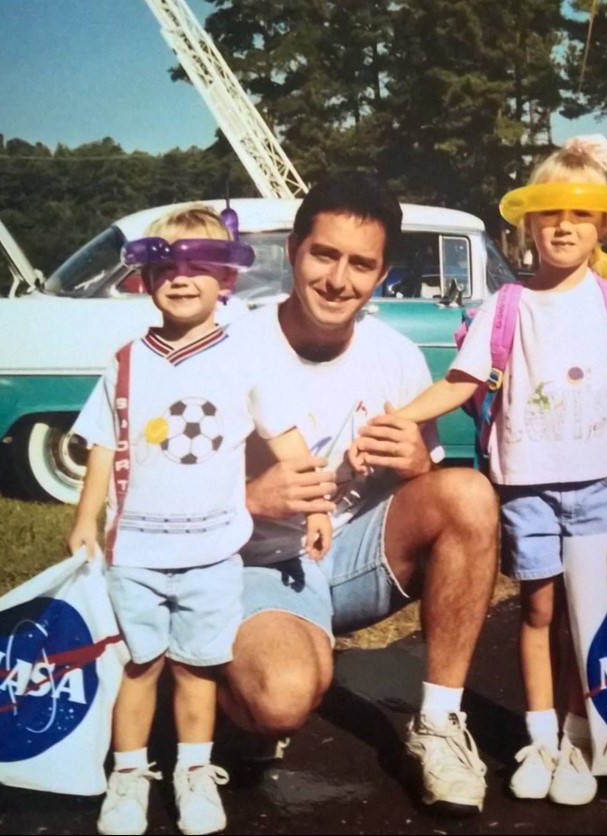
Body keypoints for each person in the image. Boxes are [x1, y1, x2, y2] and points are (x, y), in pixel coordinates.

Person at [349, 137, 607, 806]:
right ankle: (541, 738)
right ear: (529, 225)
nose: (565, 228)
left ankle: (580, 740)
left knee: (587, 619)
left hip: (601, 486)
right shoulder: (507, 306)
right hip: (525, 488)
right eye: (550, 215)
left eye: (580, 217)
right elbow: (461, 383)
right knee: (538, 610)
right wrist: (399, 417)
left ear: (601, 227)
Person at [217, 172, 499, 814]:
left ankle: (439, 724)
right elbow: (153, 497)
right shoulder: (228, 347)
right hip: (252, 564)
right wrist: (251, 498)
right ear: (293, 249)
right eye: (324, 254)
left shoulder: (395, 354)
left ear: (383, 273)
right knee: (281, 700)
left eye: (360, 264)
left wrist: (413, 467)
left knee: (470, 495)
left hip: (348, 561)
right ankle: (230, 683)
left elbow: (430, 500)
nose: (339, 280)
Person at [67, 203, 331, 836]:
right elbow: (103, 444)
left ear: (227, 278)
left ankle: (193, 772)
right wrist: (85, 518)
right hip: (134, 552)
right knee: (139, 666)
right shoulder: (126, 362)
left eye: (200, 265)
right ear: (144, 277)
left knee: (197, 668)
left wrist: (317, 504)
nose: (181, 279)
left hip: (213, 554)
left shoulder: (245, 358)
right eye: (165, 266)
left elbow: (289, 438)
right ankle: (128, 776)